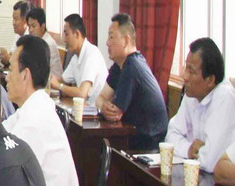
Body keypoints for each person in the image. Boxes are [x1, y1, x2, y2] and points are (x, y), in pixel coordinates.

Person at [3, 35, 80, 186]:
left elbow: (3, 175)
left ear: (25, 75)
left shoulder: (34, 121)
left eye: (11, 70)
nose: (6, 76)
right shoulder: (33, 107)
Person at [95, 14, 168, 150]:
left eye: (112, 37)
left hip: (149, 145)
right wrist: (103, 105)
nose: (107, 43)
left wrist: (104, 106)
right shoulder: (119, 66)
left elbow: (115, 114)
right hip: (134, 137)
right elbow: (101, 97)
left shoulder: (132, 65)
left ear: (126, 40)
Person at [166, 38, 235, 172]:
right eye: (186, 68)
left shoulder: (224, 98)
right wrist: (188, 149)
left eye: (191, 72)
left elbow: (210, 162)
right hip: (197, 173)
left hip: (219, 181)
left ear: (210, 80)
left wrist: (194, 153)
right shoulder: (192, 93)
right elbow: (170, 135)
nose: (185, 77)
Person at [50, 13, 108, 106]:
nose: (64, 39)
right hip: (85, 108)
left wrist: (59, 86)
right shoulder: (75, 58)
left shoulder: (91, 54)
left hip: (96, 110)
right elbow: (61, 80)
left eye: (66, 34)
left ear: (77, 34)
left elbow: (82, 93)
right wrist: (48, 80)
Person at [26, 7, 63, 80]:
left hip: (52, 83)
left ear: (43, 26)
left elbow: (37, 69)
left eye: (33, 26)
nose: (30, 30)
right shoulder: (37, 41)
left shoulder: (48, 44)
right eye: (29, 26)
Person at [0, 0, 29, 66]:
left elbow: (21, 63)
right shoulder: (18, 34)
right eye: (13, 19)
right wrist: (5, 58)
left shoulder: (29, 37)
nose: (13, 23)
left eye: (16, 19)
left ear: (25, 20)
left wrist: (8, 58)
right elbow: (12, 54)